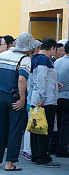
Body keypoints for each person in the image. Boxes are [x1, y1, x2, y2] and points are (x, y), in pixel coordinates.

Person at [0, 33, 40, 171]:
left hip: (2, 97)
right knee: (15, 130)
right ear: (29, 48)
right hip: (15, 98)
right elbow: (22, 79)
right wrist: (23, 98)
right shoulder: (25, 59)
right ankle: (9, 163)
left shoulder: (4, 55)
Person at [29, 38, 60, 167]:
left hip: (37, 98)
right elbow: (41, 78)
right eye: (55, 50)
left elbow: (35, 79)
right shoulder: (44, 60)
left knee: (36, 128)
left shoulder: (35, 58)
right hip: (45, 101)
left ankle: (36, 155)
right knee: (44, 129)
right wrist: (43, 96)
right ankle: (43, 157)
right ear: (52, 48)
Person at [53, 41, 69, 157]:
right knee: (65, 124)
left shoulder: (57, 61)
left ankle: (53, 145)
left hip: (57, 96)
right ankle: (62, 148)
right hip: (67, 97)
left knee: (57, 123)